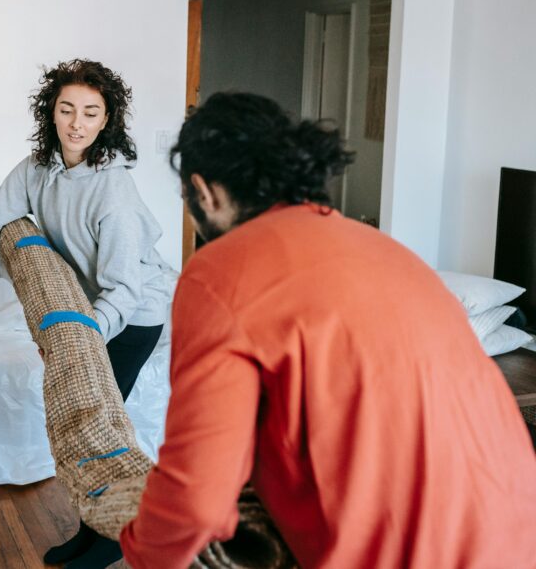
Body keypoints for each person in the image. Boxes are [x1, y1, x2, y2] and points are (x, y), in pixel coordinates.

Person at [119, 92, 536, 568]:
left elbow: (198, 497)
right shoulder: (388, 252)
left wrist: (140, 552)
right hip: (519, 535)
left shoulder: (220, 272)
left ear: (204, 190)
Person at [0, 58, 172, 569]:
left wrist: (81, 335)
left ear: (106, 120)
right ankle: (89, 535)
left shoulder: (113, 192)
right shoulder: (39, 169)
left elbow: (124, 289)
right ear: (52, 114)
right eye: (67, 110)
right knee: (86, 421)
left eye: (90, 112)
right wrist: (13, 266)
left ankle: (108, 541)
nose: (77, 123)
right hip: (84, 309)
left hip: (133, 314)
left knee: (98, 423)